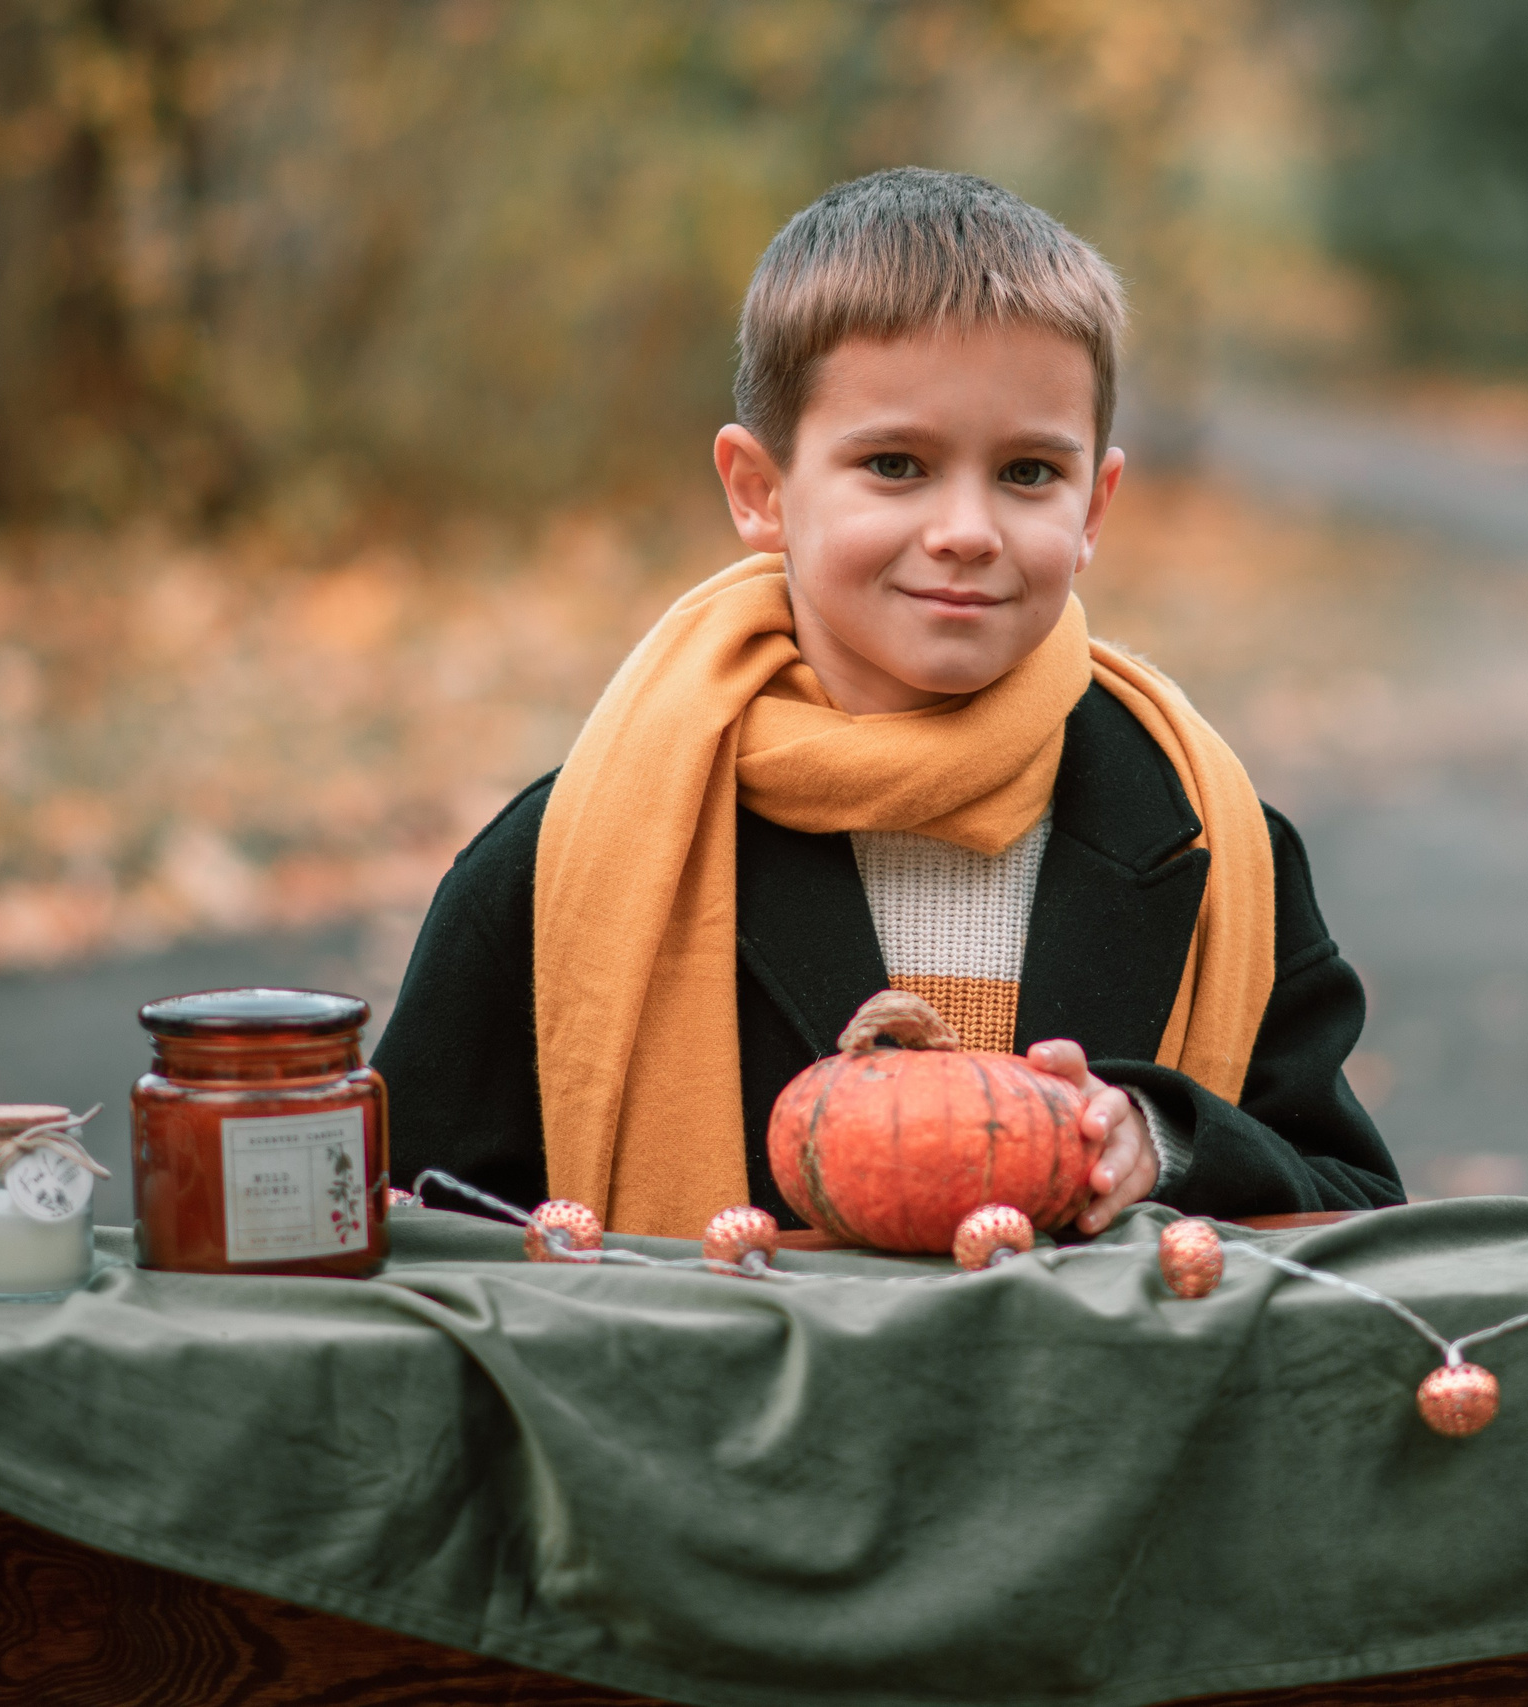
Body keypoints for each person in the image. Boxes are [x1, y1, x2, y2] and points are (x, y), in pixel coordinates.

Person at [377, 167, 1403, 1240]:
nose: (967, 527)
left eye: (1026, 474)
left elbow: (1358, 1215)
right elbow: (415, 1224)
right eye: (897, 464)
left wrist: (1168, 1140)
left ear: (1094, 505)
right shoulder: (572, 860)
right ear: (759, 491)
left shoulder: (1213, 841)